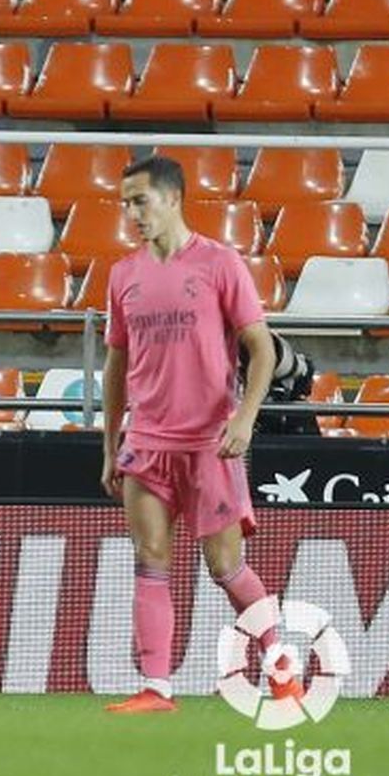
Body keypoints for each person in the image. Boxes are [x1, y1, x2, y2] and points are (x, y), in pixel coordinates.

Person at [102, 156, 285, 714]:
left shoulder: (219, 263)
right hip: (148, 441)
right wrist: (110, 443)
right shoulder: (123, 274)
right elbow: (115, 365)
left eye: (141, 201)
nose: (132, 213)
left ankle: (281, 664)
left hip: (210, 442)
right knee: (150, 557)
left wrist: (245, 418)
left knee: (225, 567)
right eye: (126, 204)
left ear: (173, 198)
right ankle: (157, 688)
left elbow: (262, 349)